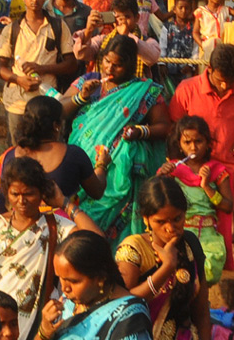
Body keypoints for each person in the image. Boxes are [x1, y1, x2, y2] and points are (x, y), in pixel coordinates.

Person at [0, 156, 100, 340]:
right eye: (15, 194)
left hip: (39, 319)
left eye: (29, 194)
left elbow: (96, 240)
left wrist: (64, 204)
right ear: (7, 193)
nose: (21, 201)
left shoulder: (56, 226)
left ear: (42, 193)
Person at [116, 176, 212, 340]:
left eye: (178, 219)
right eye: (161, 222)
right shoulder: (133, 250)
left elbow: (201, 313)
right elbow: (119, 304)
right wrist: (165, 269)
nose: (171, 228)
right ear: (146, 219)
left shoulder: (191, 246)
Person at [62, 35, 168, 244]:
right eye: (107, 61)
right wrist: (81, 97)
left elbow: (164, 127)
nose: (110, 69)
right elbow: (60, 110)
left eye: (118, 65)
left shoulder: (145, 90)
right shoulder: (86, 81)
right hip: (82, 167)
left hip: (119, 175)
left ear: (130, 65)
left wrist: (140, 132)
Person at [0, 95, 105, 218]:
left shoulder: (7, 157)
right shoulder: (74, 155)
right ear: (56, 126)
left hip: (16, 233)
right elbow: (97, 191)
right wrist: (101, 164)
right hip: (61, 232)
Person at [0, 0, 79, 143]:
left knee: (50, 147)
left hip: (48, 101)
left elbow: (71, 64)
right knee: (18, 149)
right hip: (17, 102)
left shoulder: (58, 26)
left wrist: (42, 68)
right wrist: (19, 80)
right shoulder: (11, 30)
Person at [157, 115, 233, 282]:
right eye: (187, 142)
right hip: (179, 233)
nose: (193, 147)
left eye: (198, 141)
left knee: (204, 276)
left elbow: (228, 206)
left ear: (208, 143)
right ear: (179, 145)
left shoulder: (217, 170)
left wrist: (206, 187)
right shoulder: (174, 169)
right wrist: (163, 177)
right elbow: (158, 201)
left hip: (208, 238)